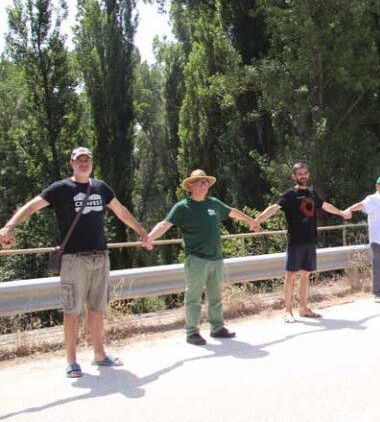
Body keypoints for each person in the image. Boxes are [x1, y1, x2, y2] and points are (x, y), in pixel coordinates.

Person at [0, 147, 148, 378]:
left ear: (92, 163)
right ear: (72, 163)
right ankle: (71, 360)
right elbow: (31, 206)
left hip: (100, 256)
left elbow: (122, 212)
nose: (83, 163)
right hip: (73, 259)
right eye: (79, 160)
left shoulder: (101, 187)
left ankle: (100, 354)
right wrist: (9, 226)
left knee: (98, 309)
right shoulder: (60, 189)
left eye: (87, 159)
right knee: (72, 311)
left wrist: (142, 233)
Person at [144, 169, 260, 345]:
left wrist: (250, 220)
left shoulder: (213, 203)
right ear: (190, 185)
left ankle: (217, 328)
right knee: (194, 297)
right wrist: (150, 237)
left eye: (206, 182)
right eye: (200, 182)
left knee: (216, 296)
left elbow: (232, 212)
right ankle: (192, 332)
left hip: (216, 258)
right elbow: (164, 224)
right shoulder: (182, 207)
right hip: (196, 260)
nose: (204, 185)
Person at [254, 163, 351, 323]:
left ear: (308, 175)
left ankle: (304, 308)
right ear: (294, 176)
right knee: (291, 275)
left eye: (305, 173)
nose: (303, 176)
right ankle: (287, 311)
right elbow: (274, 208)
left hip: (310, 240)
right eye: (300, 174)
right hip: (295, 241)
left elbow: (325, 205)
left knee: (306, 275)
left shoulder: (312, 193)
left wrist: (341, 212)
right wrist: (257, 220)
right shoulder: (290, 194)